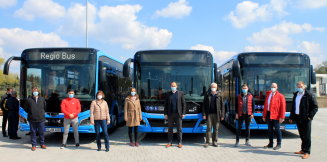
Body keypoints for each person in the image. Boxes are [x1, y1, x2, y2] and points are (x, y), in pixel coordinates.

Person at [290, 81, 318, 159]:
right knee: (302, 135)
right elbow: (293, 107)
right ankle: (303, 149)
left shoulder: (309, 95)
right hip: (298, 118)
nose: (300, 88)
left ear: (304, 87)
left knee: (307, 136)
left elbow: (315, 107)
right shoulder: (296, 95)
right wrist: (291, 117)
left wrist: (310, 117)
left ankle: (307, 152)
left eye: (301, 86)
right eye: (298, 86)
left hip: (306, 119)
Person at [263, 83, 286, 150]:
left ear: (277, 87)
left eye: (274, 87)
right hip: (268, 114)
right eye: (272, 87)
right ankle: (270, 143)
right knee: (270, 130)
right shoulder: (268, 95)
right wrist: (264, 115)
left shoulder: (280, 96)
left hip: (276, 115)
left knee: (277, 130)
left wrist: (282, 117)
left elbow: (283, 107)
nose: (273, 88)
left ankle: (279, 144)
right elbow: (265, 106)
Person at [164, 82, 186, 148]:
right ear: (170, 86)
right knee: (170, 129)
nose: (173, 87)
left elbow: (184, 104)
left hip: (178, 114)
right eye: (172, 86)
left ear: (176, 86)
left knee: (179, 129)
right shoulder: (168, 94)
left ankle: (180, 142)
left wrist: (183, 113)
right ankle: (170, 142)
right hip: (170, 114)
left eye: (174, 86)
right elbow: (165, 105)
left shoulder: (180, 93)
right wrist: (165, 113)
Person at [202, 83, 224, 148]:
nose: (213, 88)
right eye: (212, 87)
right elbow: (204, 105)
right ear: (210, 87)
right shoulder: (207, 94)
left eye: (214, 87)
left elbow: (222, 106)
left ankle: (214, 141)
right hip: (209, 115)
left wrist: (222, 115)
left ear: (216, 88)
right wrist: (204, 114)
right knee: (208, 128)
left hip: (217, 115)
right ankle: (207, 142)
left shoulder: (219, 95)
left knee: (216, 129)